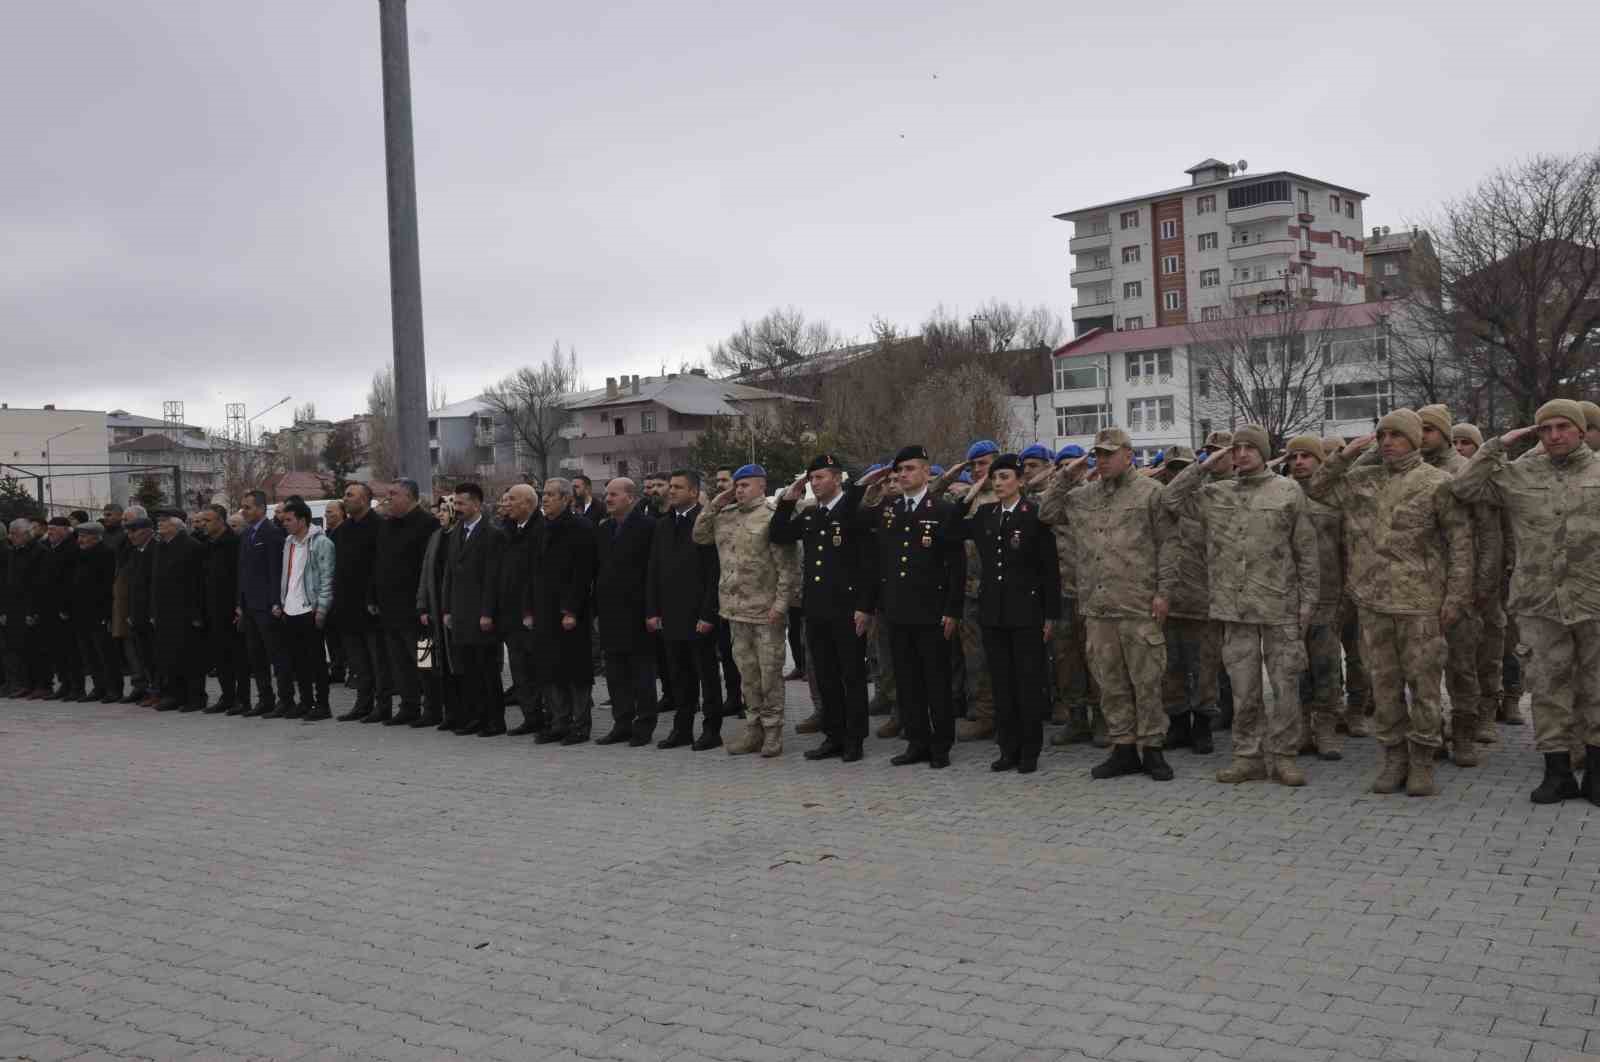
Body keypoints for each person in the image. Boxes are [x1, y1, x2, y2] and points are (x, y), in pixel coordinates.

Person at [1307, 409, 1471, 797]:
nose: (1387, 442)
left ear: (1414, 440)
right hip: (1374, 602)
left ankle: (1422, 763)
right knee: (1384, 687)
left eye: (1396, 435)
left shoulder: (1438, 483)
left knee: (1425, 687)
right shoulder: (1363, 480)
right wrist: (1347, 454)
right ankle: (1393, 758)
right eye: (1382, 436)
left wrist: (1457, 596)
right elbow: (1317, 487)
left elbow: (1461, 544)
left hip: (1421, 604)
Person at [1453, 400, 1600, 804]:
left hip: (1594, 598)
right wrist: (1497, 445)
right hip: (1538, 602)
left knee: (1596, 688)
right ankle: (1557, 773)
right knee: (1548, 688)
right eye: (1546, 428)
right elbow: (1463, 487)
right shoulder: (1519, 474)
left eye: (1563, 427)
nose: (1554, 435)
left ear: (1582, 430)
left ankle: (1596, 774)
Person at [1165, 427, 1320, 787]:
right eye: (1237, 449)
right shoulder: (1214, 494)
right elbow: (1171, 499)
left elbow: (1306, 553)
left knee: (1285, 687)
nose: (1243, 453)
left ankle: (1283, 756)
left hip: (1280, 607)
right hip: (1234, 610)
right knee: (1243, 689)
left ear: (1265, 453)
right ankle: (1247, 756)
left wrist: (1308, 603)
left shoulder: (1288, 491)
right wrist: (1204, 465)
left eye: (1251, 448)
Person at [1044, 428, 1174, 781]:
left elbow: (1168, 545)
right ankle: (1124, 747)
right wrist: (1068, 474)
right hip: (1099, 606)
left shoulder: (1152, 493)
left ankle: (1153, 749)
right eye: (1097, 454)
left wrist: (1164, 592)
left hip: (1138, 604)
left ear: (1128, 455)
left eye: (1109, 454)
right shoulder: (1082, 496)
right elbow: (1046, 511)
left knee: (1147, 681)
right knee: (1109, 682)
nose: (1101, 460)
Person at [859, 447, 963, 769]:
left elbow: (955, 566)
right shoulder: (888, 508)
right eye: (899, 470)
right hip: (897, 610)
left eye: (909, 469)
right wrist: (868, 487)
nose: (903, 475)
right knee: (907, 681)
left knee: (936, 680)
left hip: (932, 610)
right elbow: (875, 556)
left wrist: (952, 610)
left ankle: (941, 744)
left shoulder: (942, 509)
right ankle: (917, 741)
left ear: (926, 472)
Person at [957, 454, 1060, 774]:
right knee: (1001, 683)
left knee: (1026, 684)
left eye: (1004, 477)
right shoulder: (986, 513)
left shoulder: (1034, 515)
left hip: (1026, 612)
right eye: (995, 478)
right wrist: (969, 496)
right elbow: (950, 530)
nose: (998, 483)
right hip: (994, 613)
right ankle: (1008, 748)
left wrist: (1050, 616)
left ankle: (1029, 750)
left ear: (1020, 480)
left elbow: (1049, 570)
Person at [771, 454, 873, 763]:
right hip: (816, 610)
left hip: (847, 609)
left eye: (820, 477)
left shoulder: (854, 510)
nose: (814, 483)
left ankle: (855, 739)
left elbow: (868, 563)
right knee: (826, 676)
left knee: (851, 676)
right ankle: (834, 735)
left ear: (837, 478)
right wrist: (788, 501)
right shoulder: (811, 515)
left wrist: (865, 606)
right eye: (811, 479)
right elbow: (778, 535)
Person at [694, 464, 796, 757]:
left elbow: (786, 566)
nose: (739, 491)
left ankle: (773, 732)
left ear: (762, 486)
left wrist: (781, 604)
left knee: (770, 675)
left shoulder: (772, 517)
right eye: (737, 486)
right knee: (747, 675)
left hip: (766, 612)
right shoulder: (725, 516)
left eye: (745, 485)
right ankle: (754, 730)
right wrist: (716, 502)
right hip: (735, 611)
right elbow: (699, 536)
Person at [1149, 445, 1220, 755]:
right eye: (1173, 468)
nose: (1178, 474)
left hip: (1201, 602)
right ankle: (1177, 723)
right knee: (1170, 670)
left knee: (1204, 670)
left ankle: (1203, 725)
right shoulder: (1158, 504)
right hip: (1165, 602)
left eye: (1184, 468)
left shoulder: (1209, 502)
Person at [647, 469, 725, 751]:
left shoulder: (705, 522)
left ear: (693, 492)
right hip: (671, 614)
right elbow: (654, 569)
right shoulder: (663, 525)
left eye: (678, 487)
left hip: (699, 615)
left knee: (706, 675)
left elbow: (714, 573)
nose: (671, 491)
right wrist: (653, 610)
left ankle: (711, 729)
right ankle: (682, 729)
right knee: (679, 676)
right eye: (671, 487)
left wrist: (708, 614)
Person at [1280, 437, 1347, 760]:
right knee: (1294, 667)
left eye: (1307, 456)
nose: (1300, 462)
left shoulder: (1336, 498)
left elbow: (1349, 548)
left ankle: (1326, 727)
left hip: (1327, 597)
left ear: (1322, 461)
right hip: (1287, 598)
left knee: (1326, 665)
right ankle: (1302, 726)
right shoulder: (1280, 495)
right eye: (1293, 457)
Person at [531, 478, 598, 744]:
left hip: (571, 611)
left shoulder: (580, 527)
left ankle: (580, 725)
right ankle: (559, 722)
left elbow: (583, 573)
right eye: (543, 494)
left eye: (550, 495)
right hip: (545, 608)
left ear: (566, 499)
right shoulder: (543, 527)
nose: (545, 499)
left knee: (576, 670)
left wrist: (572, 609)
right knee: (552, 668)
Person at [594, 478, 660, 746]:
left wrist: (652, 611)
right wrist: (596, 611)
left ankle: (644, 725)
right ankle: (621, 723)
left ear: (629, 498)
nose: (607, 499)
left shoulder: (648, 527)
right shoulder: (604, 529)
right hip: (610, 613)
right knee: (616, 673)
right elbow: (598, 573)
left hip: (638, 612)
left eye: (613, 494)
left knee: (641, 673)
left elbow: (653, 573)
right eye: (606, 494)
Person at [1043, 445, 1099, 747]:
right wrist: (1063, 478)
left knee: (1097, 660)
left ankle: (1102, 719)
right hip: (1063, 594)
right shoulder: (1055, 502)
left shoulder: (1095, 496)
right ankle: (1077, 719)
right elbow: (1045, 512)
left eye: (1076, 466)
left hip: (1093, 594)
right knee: (1066, 662)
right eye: (1064, 466)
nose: (1072, 470)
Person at [372, 479, 439, 727]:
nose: (388, 498)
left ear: (410, 497)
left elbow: (428, 568)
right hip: (390, 609)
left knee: (425, 661)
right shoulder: (387, 525)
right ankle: (409, 706)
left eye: (394, 494)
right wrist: (374, 596)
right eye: (387, 493)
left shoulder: (428, 524)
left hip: (418, 611)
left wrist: (424, 605)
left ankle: (433, 707)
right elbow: (378, 563)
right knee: (400, 663)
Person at [440, 483, 505, 736]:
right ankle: (475, 717)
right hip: (459, 614)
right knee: (468, 671)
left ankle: (495, 720)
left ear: (476, 504)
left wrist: (487, 613)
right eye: (455, 503)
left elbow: (492, 577)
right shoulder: (456, 532)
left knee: (487, 670)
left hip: (481, 615)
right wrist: (447, 609)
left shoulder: (492, 533)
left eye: (462, 503)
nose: (457, 508)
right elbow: (449, 575)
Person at [329, 484, 391, 723]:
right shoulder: (343, 530)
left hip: (370, 606)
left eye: (350, 495)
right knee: (358, 661)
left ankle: (383, 705)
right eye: (345, 495)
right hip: (346, 606)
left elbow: (379, 567)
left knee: (378, 660)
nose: (345, 499)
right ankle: (362, 703)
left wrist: (372, 598)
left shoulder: (378, 527)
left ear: (365, 500)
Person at [273, 499, 334, 720]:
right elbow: (287, 575)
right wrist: (281, 602)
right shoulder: (289, 542)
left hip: (310, 609)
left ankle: (322, 704)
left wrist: (322, 608)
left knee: (316, 661)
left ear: (302, 520)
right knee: (297, 661)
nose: (285, 524)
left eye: (289, 520)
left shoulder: (321, 543)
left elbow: (327, 579)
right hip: (290, 609)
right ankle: (305, 701)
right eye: (284, 520)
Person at [496, 483, 544, 736]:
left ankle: (547, 714)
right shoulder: (508, 530)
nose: (507, 504)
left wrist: (531, 609)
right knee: (519, 668)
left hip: (532, 614)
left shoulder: (540, 530)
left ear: (527, 503)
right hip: (510, 614)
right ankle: (530, 716)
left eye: (512, 500)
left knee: (536, 667)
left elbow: (536, 575)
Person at [236, 490, 289, 717]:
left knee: (276, 655)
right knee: (256, 656)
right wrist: (240, 602)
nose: (243, 511)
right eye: (242, 507)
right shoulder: (247, 533)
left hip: (267, 606)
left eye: (247, 507)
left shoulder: (272, 533)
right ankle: (265, 699)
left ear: (260, 508)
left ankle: (285, 700)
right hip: (249, 606)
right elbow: (243, 571)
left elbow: (274, 571)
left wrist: (275, 602)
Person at [149, 510, 207, 712]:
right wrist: (154, 611)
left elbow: (198, 583)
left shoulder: (192, 547)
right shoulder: (160, 546)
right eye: (159, 521)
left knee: (190, 657)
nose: (159, 524)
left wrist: (196, 613)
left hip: (185, 612)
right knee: (169, 656)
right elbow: (155, 582)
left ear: (177, 524)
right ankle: (174, 694)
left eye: (164, 521)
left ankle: (195, 696)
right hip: (165, 612)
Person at [197, 505, 249, 714]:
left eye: (208, 521)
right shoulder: (208, 545)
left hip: (231, 609)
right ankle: (227, 696)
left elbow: (240, 576)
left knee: (238, 657)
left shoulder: (235, 543)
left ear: (220, 521)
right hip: (212, 608)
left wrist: (239, 605)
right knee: (220, 657)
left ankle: (243, 699)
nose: (203, 525)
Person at [62, 522, 117, 703]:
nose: (81, 540)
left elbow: (108, 586)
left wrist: (106, 613)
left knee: (105, 653)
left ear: (96, 536)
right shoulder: (79, 554)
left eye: (85, 536)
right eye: (80, 536)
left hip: (99, 612)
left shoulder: (106, 554)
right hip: (80, 612)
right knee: (89, 654)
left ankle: (113, 689)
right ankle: (98, 687)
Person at [416, 498, 458, 729]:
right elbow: (425, 572)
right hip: (429, 612)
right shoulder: (435, 537)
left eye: (444, 510)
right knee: (427, 662)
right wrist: (421, 605)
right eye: (439, 510)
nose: (440, 515)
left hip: (450, 612)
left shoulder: (458, 536)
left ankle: (455, 712)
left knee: (452, 666)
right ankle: (432, 710)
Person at [37, 517, 82, 700]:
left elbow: (71, 581)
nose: (50, 532)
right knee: (57, 649)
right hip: (50, 607)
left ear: (66, 530)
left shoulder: (72, 548)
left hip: (66, 608)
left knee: (70, 649)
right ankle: (64, 683)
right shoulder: (49, 548)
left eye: (54, 529)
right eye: (49, 529)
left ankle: (76, 686)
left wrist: (66, 606)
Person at [2, 518, 47, 697]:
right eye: (11, 534)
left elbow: (39, 585)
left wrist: (33, 611)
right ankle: (25, 684)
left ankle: (42, 684)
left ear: (26, 534)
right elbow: (8, 583)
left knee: (37, 648)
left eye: (15, 534)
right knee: (19, 648)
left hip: (31, 608)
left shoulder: (39, 552)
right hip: (15, 608)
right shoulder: (14, 552)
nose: (11, 537)